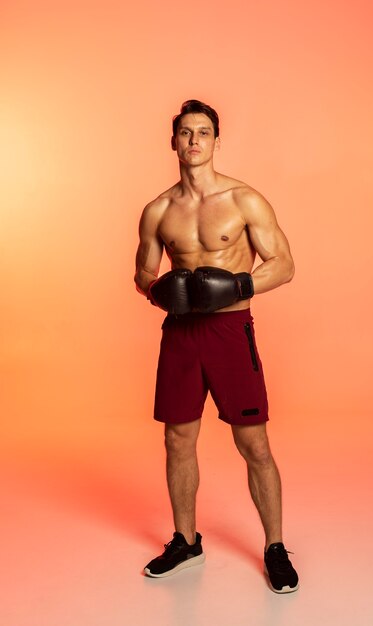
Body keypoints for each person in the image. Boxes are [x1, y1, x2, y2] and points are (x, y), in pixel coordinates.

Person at [134, 99, 299, 593]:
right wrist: (159, 289)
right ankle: (186, 541)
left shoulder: (244, 199)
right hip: (181, 335)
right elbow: (142, 273)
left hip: (230, 332)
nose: (193, 142)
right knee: (177, 440)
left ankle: (274, 547)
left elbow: (284, 264)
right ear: (173, 142)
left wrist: (238, 286)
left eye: (202, 133)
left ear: (216, 141)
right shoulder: (158, 210)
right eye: (185, 133)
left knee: (254, 444)